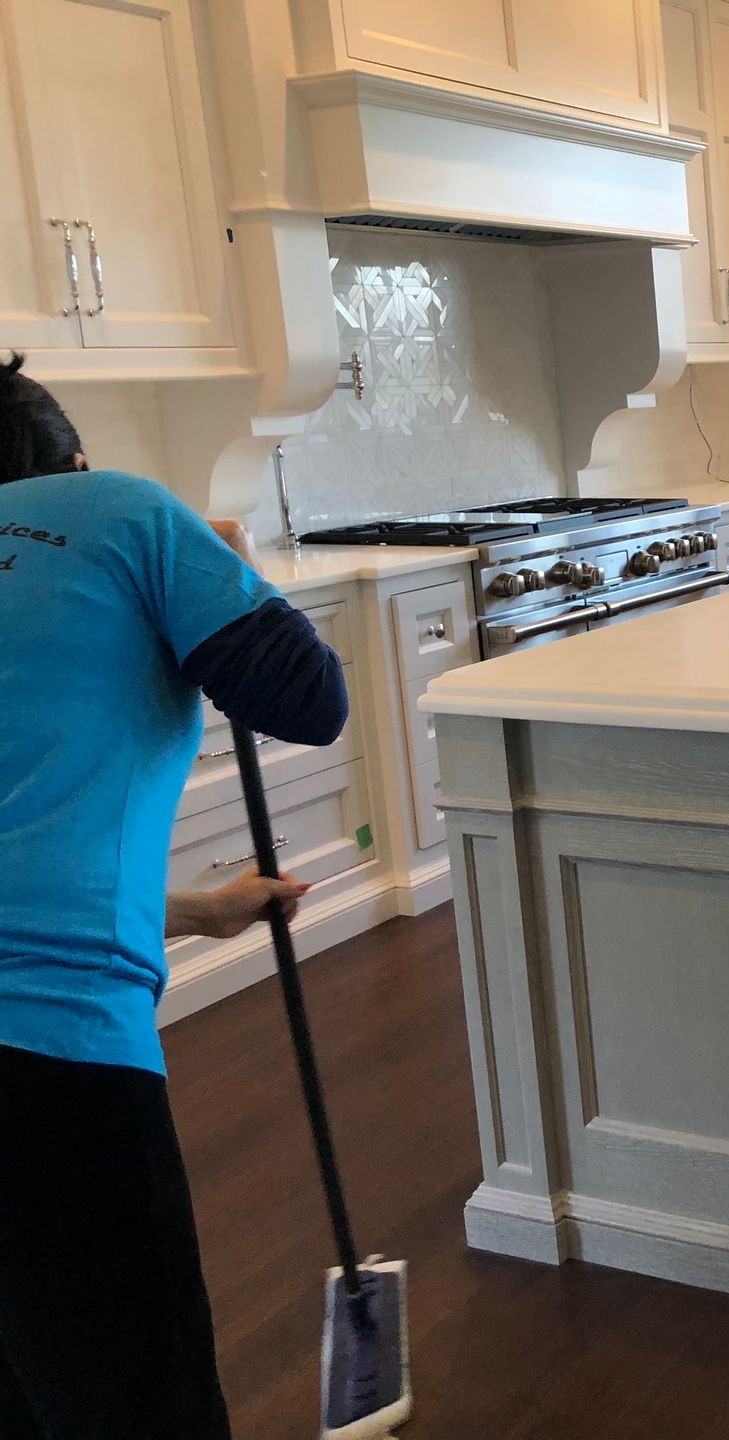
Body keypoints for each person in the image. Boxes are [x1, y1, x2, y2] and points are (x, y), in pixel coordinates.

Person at [0, 353, 350, 1439]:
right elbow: (308, 699)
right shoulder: (123, 511)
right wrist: (235, 573)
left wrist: (199, 912)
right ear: (74, 460)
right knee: (138, 1402)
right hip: (46, 1066)